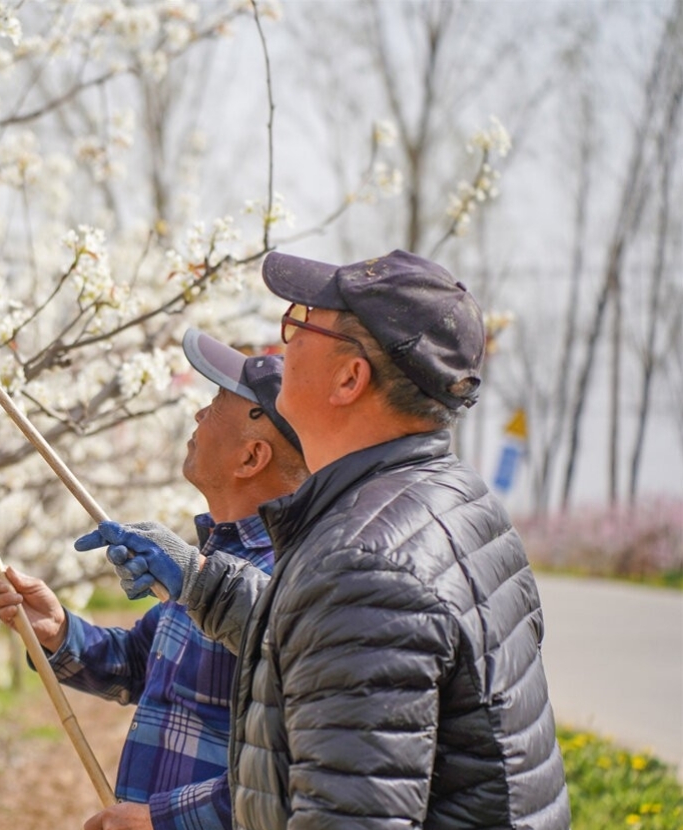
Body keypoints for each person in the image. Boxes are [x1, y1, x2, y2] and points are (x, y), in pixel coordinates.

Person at [87, 250, 569, 829]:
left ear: (349, 378)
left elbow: (348, 813)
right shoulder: (450, 499)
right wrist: (202, 584)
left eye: (299, 325)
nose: (280, 344)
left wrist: (163, 820)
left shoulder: (364, 563)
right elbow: (333, 672)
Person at [0, 330, 307, 830]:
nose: (199, 415)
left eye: (218, 404)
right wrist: (59, 631)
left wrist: (163, 820)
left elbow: (292, 776)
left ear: (251, 458)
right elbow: (141, 663)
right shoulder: (204, 566)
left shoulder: (287, 582)